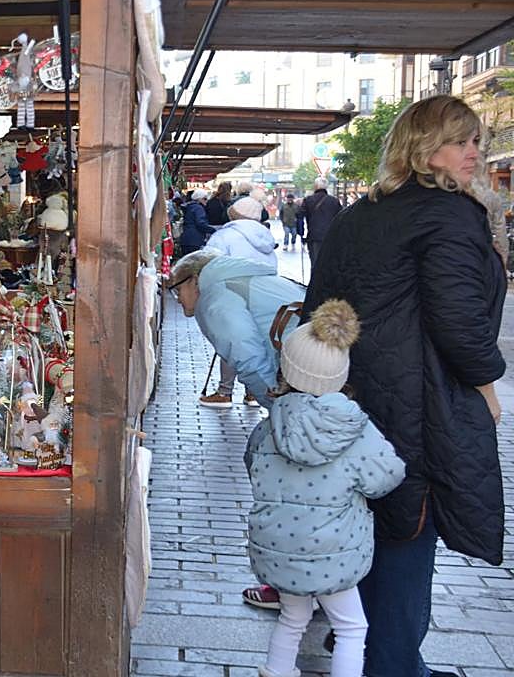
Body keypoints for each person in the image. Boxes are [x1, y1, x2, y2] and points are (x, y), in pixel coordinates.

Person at [303, 95, 505, 677]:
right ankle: (392, 665)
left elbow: (321, 306)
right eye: (460, 140)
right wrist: (487, 386)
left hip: (355, 399)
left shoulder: (364, 211)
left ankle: (375, 656)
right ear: (424, 148)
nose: (473, 153)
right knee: (407, 536)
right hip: (417, 404)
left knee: (371, 531)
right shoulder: (447, 213)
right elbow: (459, 320)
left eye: (476, 142)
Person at [249, 299, 405, 677]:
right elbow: (388, 476)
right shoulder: (355, 430)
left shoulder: (270, 426)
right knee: (352, 628)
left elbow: (253, 466)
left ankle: (276, 671)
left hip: (280, 547)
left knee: (292, 615)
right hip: (332, 553)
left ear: (287, 369)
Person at [167, 249, 303, 409]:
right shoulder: (242, 279)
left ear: (194, 280)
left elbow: (246, 356)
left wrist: (278, 407)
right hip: (320, 359)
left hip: (303, 366)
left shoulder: (214, 298)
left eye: (178, 290)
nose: (177, 299)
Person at [205, 196, 277, 270]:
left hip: (232, 280)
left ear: (232, 215)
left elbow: (209, 265)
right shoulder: (266, 236)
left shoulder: (222, 236)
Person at [297, 177, 342, 266]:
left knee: (315, 263)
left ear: (316, 186)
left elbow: (300, 217)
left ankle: (316, 279)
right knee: (328, 263)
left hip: (314, 236)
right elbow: (341, 217)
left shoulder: (308, 200)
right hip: (331, 237)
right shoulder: (334, 201)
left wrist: (301, 234)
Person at [177, 188, 216, 256]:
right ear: (199, 199)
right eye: (205, 198)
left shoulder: (189, 207)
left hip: (186, 239)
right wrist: (214, 230)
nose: (206, 201)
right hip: (195, 240)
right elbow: (201, 223)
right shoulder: (198, 208)